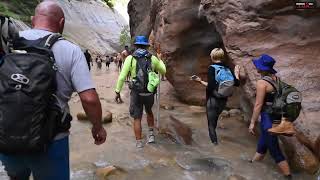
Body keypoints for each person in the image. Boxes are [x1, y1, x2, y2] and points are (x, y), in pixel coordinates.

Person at [0, 2, 107, 180]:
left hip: (7, 135)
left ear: (33, 20)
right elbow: (89, 99)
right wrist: (97, 127)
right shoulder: (71, 50)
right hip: (51, 141)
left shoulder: (8, 43)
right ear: (62, 22)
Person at [115, 36, 166, 148]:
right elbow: (163, 70)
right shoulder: (152, 58)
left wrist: (117, 91)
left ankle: (139, 142)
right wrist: (160, 59)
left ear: (136, 46)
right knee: (149, 111)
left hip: (136, 93)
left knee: (137, 117)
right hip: (149, 92)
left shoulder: (130, 59)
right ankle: (151, 135)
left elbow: (122, 76)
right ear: (147, 46)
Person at [248, 54, 292, 179]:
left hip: (267, 121)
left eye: (258, 65)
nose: (256, 67)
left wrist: (252, 122)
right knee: (262, 148)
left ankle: (289, 177)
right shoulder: (277, 79)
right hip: (276, 118)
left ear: (262, 68)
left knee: (275, 152)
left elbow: (258, 105)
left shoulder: (262, 83)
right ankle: (249, 168)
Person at [192, 48, 240, 145]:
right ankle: (215, 143)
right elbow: (237, 83)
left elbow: (211, 87)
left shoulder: (212, 68)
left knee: (211, 125)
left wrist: (200, 82)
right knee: (215, 121)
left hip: (213, 100)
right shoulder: (227, 68)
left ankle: (215, 146)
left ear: (212, 56)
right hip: (223, 100)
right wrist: (236, 74)